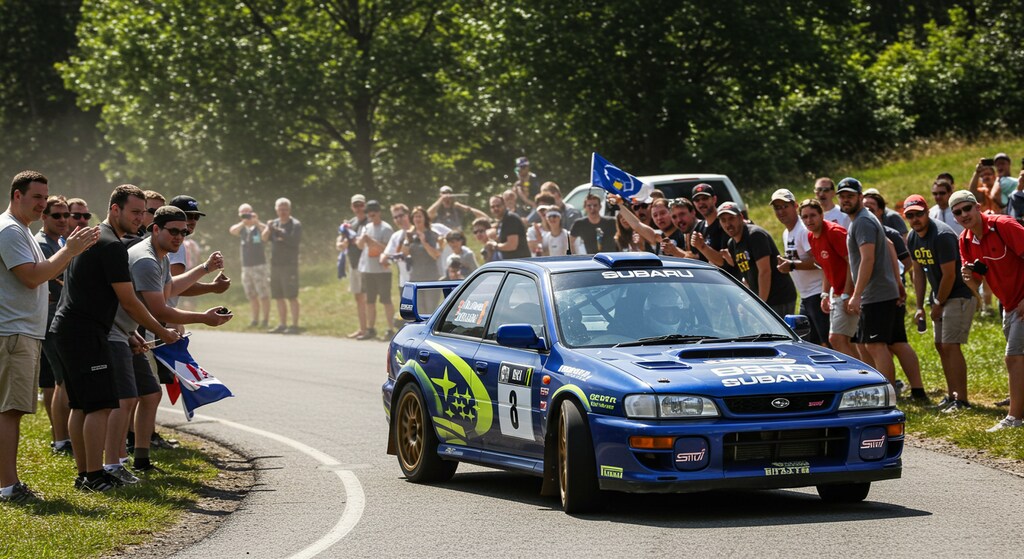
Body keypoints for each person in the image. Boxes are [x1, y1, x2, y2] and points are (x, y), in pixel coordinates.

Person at [50, 184, 178, 492]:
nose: (139, 219)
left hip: (68, 330)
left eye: (142, 212)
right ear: (114, 210)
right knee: (100, 407)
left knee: (82, 405)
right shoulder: (111, 245)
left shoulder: (94, 237)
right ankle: (95, 475)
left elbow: (97, 294)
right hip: (85, 333)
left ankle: (86, 475)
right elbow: (130, 301)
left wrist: (131, 332)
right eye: (134, 212)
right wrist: (161, 331)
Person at [105, 206, 232, 482]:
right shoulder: (146, 259)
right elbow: (160, 310)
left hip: (133, 331)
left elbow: (170, 289)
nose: (179, 236)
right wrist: (204, 318)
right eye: (173, 231)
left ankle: (139, 460)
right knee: (125, 400)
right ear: (155, 229)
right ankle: (113, 465)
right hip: (119, 331)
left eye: (184, 232)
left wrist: (205, 270)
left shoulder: (160, 256)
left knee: (150, 393)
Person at [1, 171, 99, 503]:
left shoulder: (21, 230)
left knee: (11, 410)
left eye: (46, 197)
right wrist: (69, 251)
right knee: (10, 411)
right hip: (13, 331)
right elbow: (31, 278)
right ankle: (8, 487)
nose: (43, 204)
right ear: (17, 196)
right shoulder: (10, 230)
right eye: (37, 197)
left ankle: (8, 483)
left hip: (21, 330)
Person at [953, 190, 1024, 431]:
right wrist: (969, 280)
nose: (963, 214)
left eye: (966, 208)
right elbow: (976, 284)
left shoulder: (1003, 225)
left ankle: (1014, 419)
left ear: (978, 207)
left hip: (1022, 301)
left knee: (1013, 357)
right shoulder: (964, 240)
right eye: (957, 212)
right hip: (1009, 304)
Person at [904, 194, 976, 411]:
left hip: (958, 294)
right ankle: (951, 394)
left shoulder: (942, 235)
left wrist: (938, 303)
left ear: (927, 212)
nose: (915, 219)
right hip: (940, 296)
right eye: (910, 215)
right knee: (940, 345)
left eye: (919, 213)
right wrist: (919, 306)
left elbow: (949, 276)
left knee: (950, 345)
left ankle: (961, 399)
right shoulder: (912, 237)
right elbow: (918, 272)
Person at [838, 178, 904, 387]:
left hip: (876, 293)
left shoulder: (863, 222)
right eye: (842, 196)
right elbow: (888, 245)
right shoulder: (861, 220)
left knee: (875, 345)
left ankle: (889, 393)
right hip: (877, 291)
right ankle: (878, 389)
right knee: (867, 345)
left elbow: (868, 259)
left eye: (850, 195)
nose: (846, 200)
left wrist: (856, 295)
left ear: (860, 197)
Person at [35, 196, 73, 454]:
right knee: (63, 380)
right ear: (44, 217)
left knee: (62, 380)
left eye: (65, 215)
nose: (63, 220)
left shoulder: (58, 242)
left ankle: (64, 437)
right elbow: (57, 280)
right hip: (50, 319)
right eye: (56, 215)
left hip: (60, 316)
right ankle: (61, 440)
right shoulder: (43, 244)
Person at [717, 201, 797, 317]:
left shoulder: (755, 235)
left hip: (778, 298)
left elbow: (765, 272)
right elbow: (746, 274)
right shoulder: (732, 243)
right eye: (723, 220)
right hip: (762, 299)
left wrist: (761, 305)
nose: (728, 224)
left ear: (740, 217)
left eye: (731, 218)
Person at [771, 189, 828, 345]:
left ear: (795, 206)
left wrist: (791, 265)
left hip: (818, 293)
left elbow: (818, 260)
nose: (781, 211)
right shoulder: (786, 233)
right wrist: (787, 263)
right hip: (805, 296)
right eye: (777, 208)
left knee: (826, 343)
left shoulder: (803, 230)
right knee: (810, 344)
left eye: (785, 206)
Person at [800, 199, 857, 357]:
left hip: (849, 293)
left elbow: (852, 263)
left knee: (836, 339)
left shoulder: (834, 232)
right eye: (804, 217)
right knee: (846, 340)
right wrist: (825, 294)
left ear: (821, 214)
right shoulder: (811, 236)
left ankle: (861, 373)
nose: (809, 220)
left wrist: (847, 293)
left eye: (812, 215)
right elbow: (825, 267)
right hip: (836, 293)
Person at [355, 200, 394, 340]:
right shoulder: (366, 227)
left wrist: (372, 241)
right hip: (368, 269)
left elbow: (389, 249)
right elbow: (360, 246)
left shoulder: (386, 228)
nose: (371, 215)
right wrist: (362, 240)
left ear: (379, 212)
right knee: (369, 301)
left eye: (374, 212)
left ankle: (390, 329)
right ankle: (370, 329)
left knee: (386, 300)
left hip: (382, 270)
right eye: (369, 213)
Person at [229, 203, 271, 328]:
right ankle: (255, 320)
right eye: (243, 213)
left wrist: (256, 221)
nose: (246, 215)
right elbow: (232, 230)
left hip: (260, 265)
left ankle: (265, 320)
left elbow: (267, 233)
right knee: (251, 294)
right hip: (246, 266)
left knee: (263, 294)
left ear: (253, 212)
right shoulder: (241, 229)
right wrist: (244, 222)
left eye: (248, 212)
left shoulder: (258, 227)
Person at [264, 197, 302, 334]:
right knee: (278, 296)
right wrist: (269, 229)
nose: (283, 212)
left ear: (289, 210)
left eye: (285, 209)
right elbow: (264, 238)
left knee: (291, 296)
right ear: (276, 210)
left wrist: (279, 232)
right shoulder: (273, 223)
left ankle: (295, 325)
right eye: (280, 209)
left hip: (289, 265)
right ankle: (282, 324)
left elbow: (294, 241)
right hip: (275, 265)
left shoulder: (295, 224)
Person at [690, 183, 740, 278]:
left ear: (714, 199)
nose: (701, 203)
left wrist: (702, 247)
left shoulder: (725, 224)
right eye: (697, 200)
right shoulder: (698, 227)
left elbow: (723, 261)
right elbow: (697, 258)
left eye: (705, 198)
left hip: (730, 281)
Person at [338, 194, 368, 338]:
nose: (358, 208)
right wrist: (340, 243)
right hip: (354, 263)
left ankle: (370, 328)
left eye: (360, 205)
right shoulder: (350, 223)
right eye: (355, 205)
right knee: (358, 297)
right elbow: (341, 239)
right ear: (351, 207)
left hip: (366, 264)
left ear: (365, 205)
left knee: (368, 297)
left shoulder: (369, 222)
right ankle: (362, 328)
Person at [401, 206, 443, 311]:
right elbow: (404, 253)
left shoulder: (432, 235)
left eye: (419, 216)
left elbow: (436, 255)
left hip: (431, 279)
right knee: (419, 310)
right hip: (415, 279)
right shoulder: (410, 235)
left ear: (425, 218)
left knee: (430, 310)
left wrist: (424, 241)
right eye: (415, 217)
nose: (417, 219)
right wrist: (407, 241)